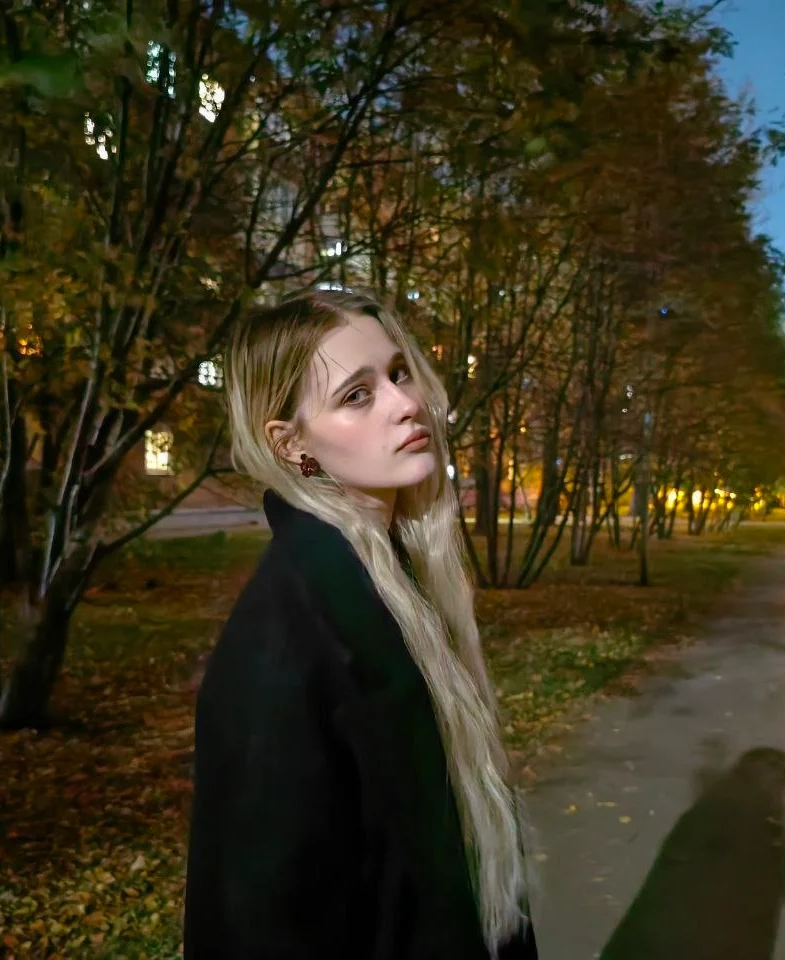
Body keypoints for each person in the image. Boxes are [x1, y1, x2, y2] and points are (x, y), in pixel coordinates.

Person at [183, 290, 538, 959]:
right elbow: (258, 915)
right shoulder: (294, 628)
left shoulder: (392, 578)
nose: (405, 404)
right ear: (292, 444)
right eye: (356, 395)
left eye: (399, 373)